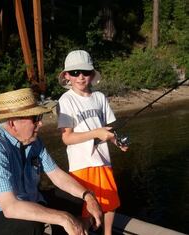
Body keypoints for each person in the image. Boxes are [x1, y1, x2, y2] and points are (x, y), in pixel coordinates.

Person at [0, 87, 103, 235]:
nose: (41, 123)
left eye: (40, 117)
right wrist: (64, 218)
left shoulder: (33, 140)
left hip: (27, 200)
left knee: (74, 199)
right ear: (12, 123)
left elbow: (56, 175)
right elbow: (10, 207)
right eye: (35, 119)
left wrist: (88, 196)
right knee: (30, 225)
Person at [57, 50, 128, 235]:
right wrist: (95, 133)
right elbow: (67, 138)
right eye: (74, 72)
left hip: (103, 160)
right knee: (86, 208)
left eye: (85, 72)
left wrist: (116, 140)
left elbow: (108, 129)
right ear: (66, 76)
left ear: (92, 74)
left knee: (110, 203)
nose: (80, 77)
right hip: (81, 164)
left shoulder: (100, 98)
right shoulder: (66, 100)